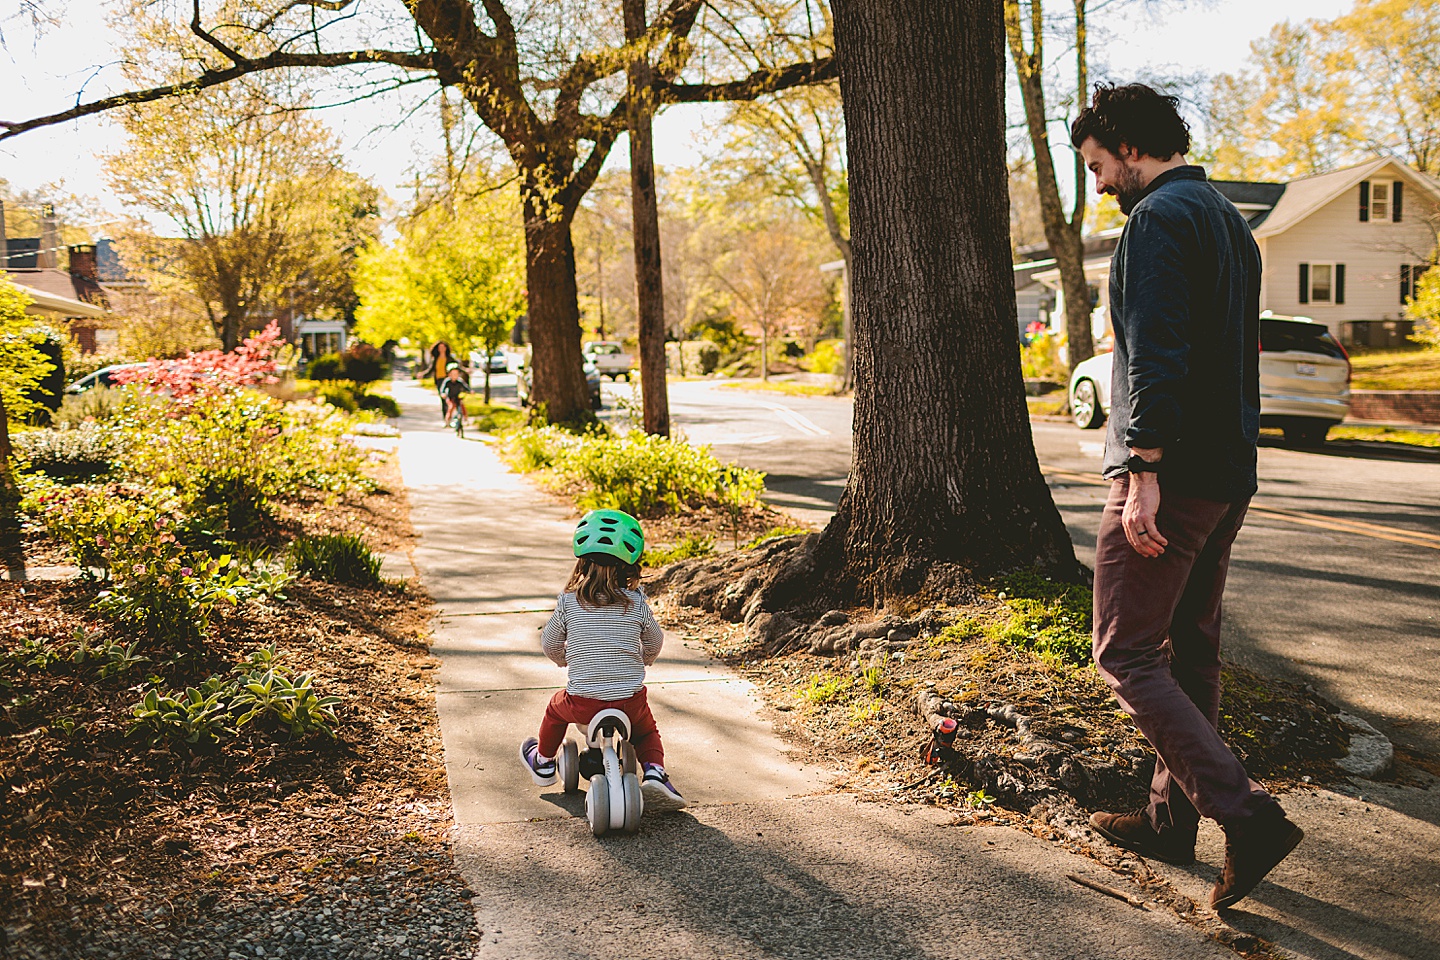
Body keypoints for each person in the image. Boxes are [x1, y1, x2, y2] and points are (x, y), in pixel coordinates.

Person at [1070, 83, 1303, 911]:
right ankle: (1170, 819)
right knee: (1191, 651)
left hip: (1172, 478)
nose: (1098, 185)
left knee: (1124, 651)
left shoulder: (1159, 220)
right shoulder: (1230, 222)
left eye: (1099, 166)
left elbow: (1157, 356)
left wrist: (1142, 471)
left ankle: (1248, 817)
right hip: (1227, 472)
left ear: (1129, 147)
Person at [519, 509, 688, 814]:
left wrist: (562, 660)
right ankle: (654, 772)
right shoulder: (637, 603)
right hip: (629, 701)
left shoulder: (568, 602)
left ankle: (544, 762)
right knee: (646, 732)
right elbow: (655, 641)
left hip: (582, 701)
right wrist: (645, 658)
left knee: (555, 711)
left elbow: (550, 643)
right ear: (631, 566)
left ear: (581, 562)